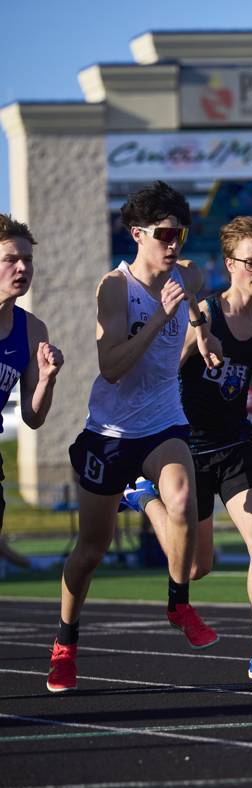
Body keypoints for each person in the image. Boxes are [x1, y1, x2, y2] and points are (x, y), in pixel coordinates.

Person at [50, 181, 220, 693]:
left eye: (181, 234)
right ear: (137, 234)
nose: (174, 245)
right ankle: (65, 642)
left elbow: (198, 307)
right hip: (111, 432)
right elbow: (112, 365)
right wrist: (162, 318)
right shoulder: (114, 288)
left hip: (164, 423)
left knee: (185, 497)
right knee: (91, 549)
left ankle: (179, 604)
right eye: (164, 235)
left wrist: (202, 333)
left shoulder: (187, 274)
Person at [126, 215, 252, 680]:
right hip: (188, 448)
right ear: (230, 264)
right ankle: (146, 500)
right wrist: (195, 340)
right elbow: (159, 372)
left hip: (236, 444)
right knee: (197, 567)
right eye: (251, 262)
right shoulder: (201, 312)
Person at [0, 215, 63, 569]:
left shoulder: (32, 329)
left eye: (28, 259)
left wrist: (46, 379)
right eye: (11, 259)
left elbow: (33, 418)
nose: (22, 267)